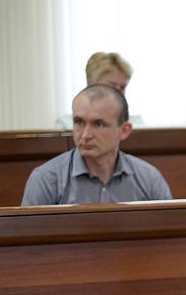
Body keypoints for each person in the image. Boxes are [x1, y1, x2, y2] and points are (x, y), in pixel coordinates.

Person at [23, 84, 171, 205]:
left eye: (98, 124)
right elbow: (30, 233)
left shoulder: (149, 179)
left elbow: (169, 230)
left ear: (124, 130)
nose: (86, 135)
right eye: (79, 122)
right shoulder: (46, 180)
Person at [56, 52, 141, 129]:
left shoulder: (138, 124)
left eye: (122, 87)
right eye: (112, 86)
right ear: (90, 83)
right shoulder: (66, 125)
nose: (119, 93)